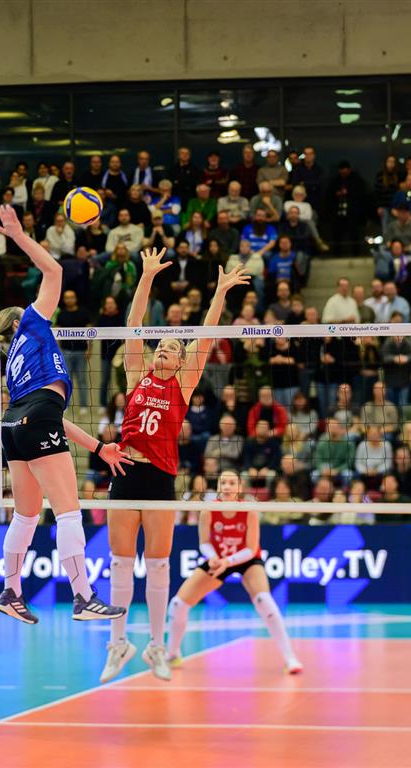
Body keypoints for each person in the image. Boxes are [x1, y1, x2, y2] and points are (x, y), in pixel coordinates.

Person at [101, 248, 249, 683]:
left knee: (159, 564)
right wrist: (146, 276)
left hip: (161, 477)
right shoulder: (137, 376)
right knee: (120, 562)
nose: (163, 350)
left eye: (171, 349)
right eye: (160, 347)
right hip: (126, 472)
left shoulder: (183, 385)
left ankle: (156, 646)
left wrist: (220, 293)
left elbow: (206, 336)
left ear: (181, 361)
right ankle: (117, 642)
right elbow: (133, 323)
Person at [0, 203, 130, 624]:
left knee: (26, 515)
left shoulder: (13, 360)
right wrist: (17, 235)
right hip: (35, 418)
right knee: (68, 511)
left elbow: (50, 417)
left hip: (14, 423)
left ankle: (11, 591)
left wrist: (98, 447)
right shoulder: (32, 324)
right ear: (20, 319)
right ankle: (84, 597)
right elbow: (53, 271)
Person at [167, 471, 303, 673]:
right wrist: (213, 557)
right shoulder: (208, 510)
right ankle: (172, 654)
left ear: (239, 488)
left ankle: (290, 658)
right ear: (218, 487)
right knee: (178, 604)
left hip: (246, 559)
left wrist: (227, 562)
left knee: (264, 600)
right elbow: (204, 543)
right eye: (223, 483)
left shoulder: (249, 510)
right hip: (218, 559)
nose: (227, 487)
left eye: (232, 483)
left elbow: (251, 548)